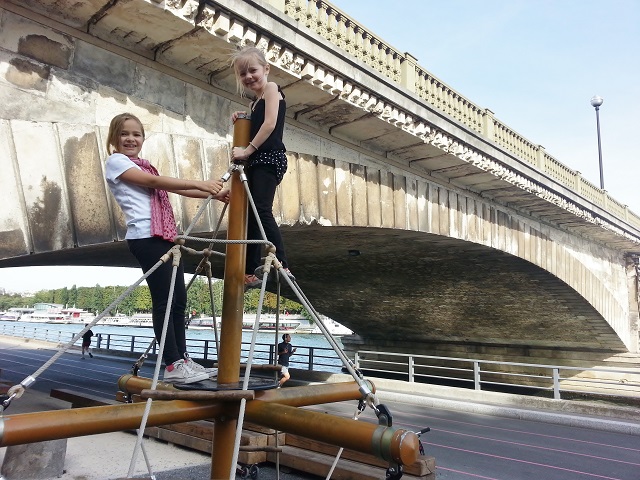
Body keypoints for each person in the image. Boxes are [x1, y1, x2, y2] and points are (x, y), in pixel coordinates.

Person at [105, 112, 229, 384]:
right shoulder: (117, 162)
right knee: (165, 300)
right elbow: (155, 183)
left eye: (136, 134)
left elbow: (175, 190)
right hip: (146, 238)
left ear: (143, 139)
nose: (131, 139)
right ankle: (172, 365)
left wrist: (215, 193)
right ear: (114, 138)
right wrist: (200, 183)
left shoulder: (145, 166)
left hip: (164, 237)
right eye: (124, 134)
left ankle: (182, 358)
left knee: (178, 301)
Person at [230, 46, 293, 289]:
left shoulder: (272, 88)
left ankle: (282, 263)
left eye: (253, 70)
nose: (248, 77)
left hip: (269, 158)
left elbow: (269, 125)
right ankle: (250, 271)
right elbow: (258, 122)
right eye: (242, 73)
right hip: (259, 161)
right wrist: (243, 117)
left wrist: (246, 151)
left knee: (262, 211)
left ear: (266, 69)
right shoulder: (255, 102)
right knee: (252, 216)